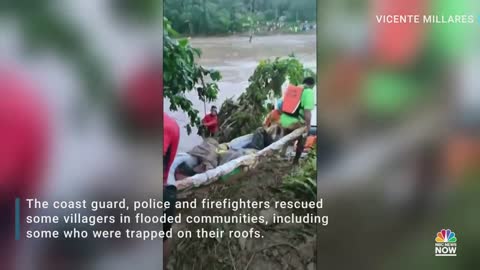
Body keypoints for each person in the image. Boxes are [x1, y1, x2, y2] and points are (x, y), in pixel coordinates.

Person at [279, 77, 315, 165]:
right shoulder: (309, 92)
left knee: (286, 138)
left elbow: (280, 105)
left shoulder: (293, 90)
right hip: (296, 123)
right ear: (312, 85)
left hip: (284, 121)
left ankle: (281, 154)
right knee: (303, 138)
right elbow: (307, 112)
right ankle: (295, 162)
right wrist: (308, 126)